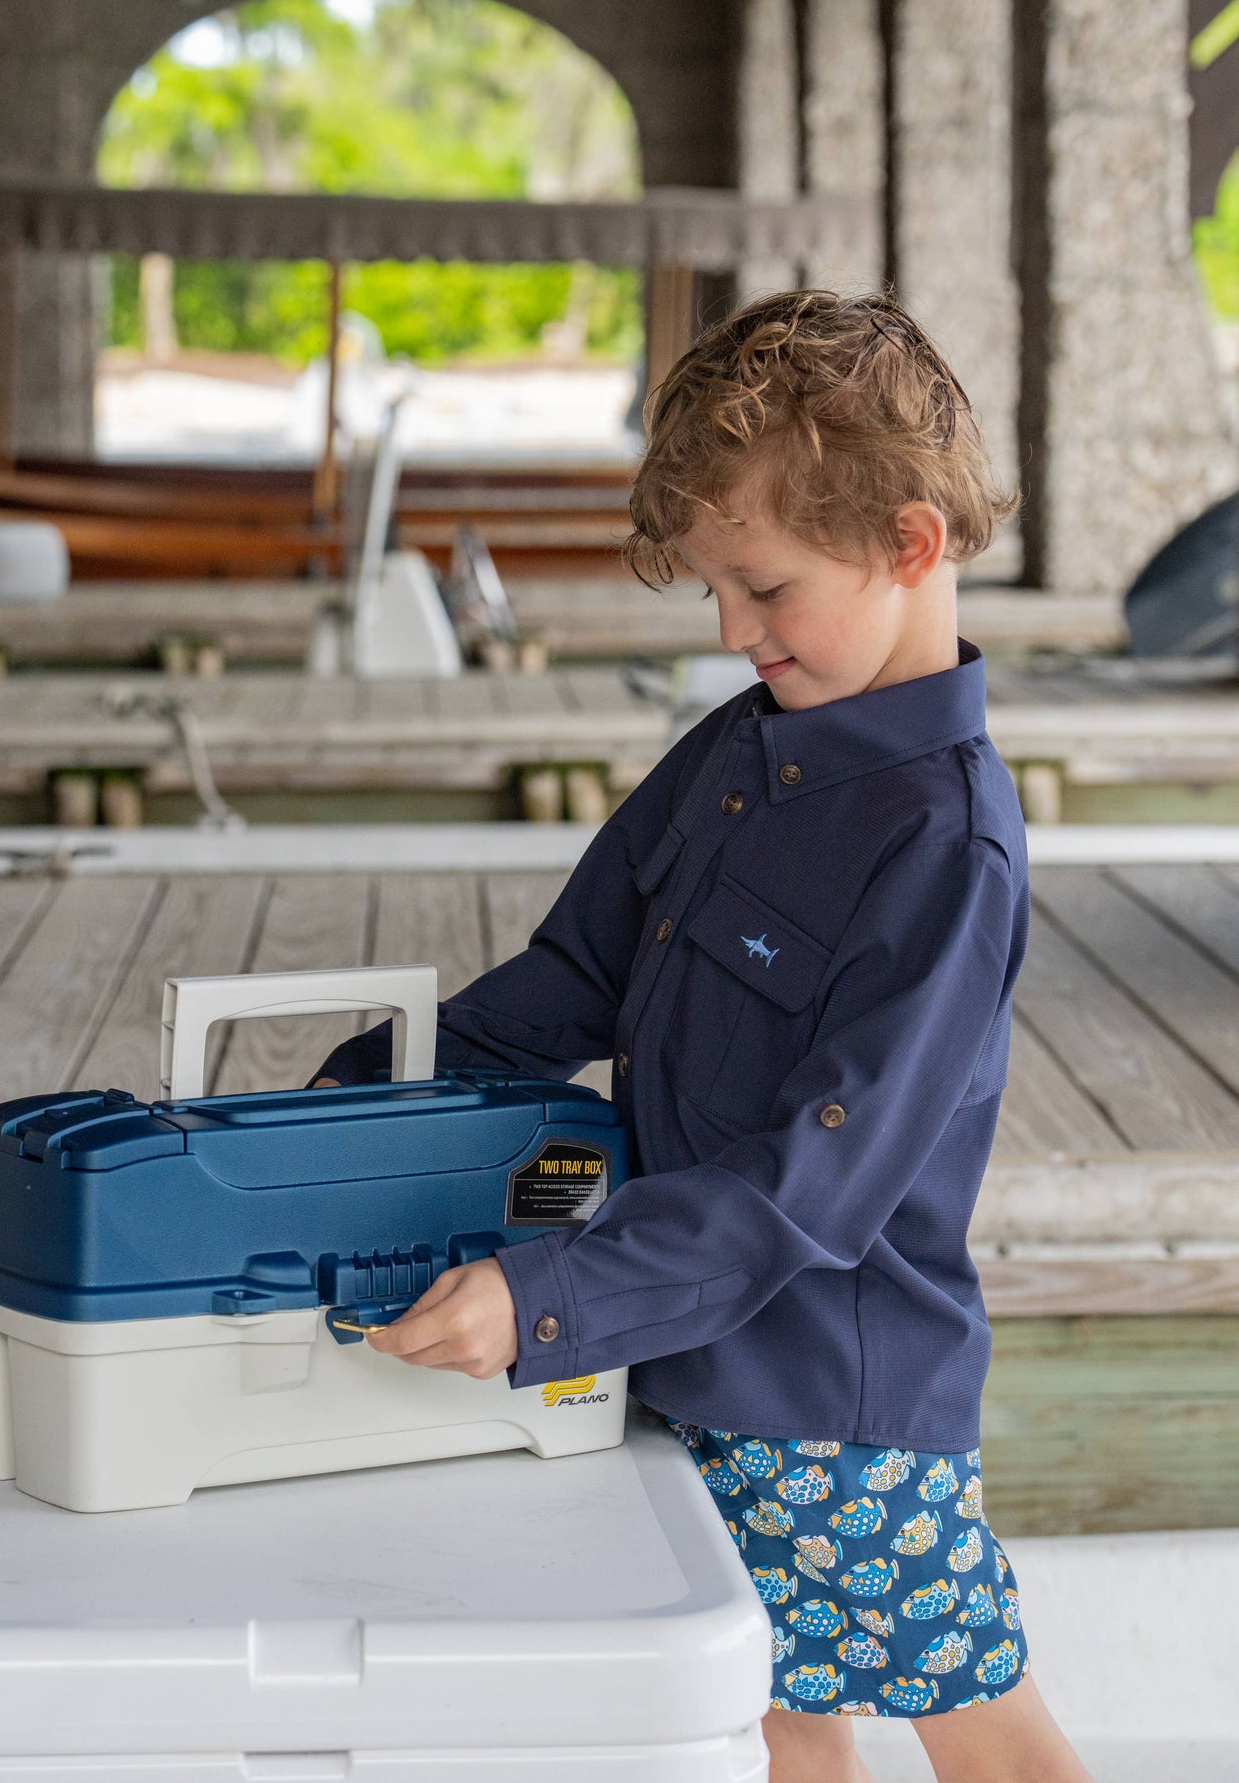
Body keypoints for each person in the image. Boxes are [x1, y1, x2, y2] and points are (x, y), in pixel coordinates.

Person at [314, 291, 1092, 1783]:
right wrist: (348, 1105)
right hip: (674, 1356)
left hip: (836, 1414)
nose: (734, 633)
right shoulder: (738, 748)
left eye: (766, 589)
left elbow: (815, 1188)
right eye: (716, 593)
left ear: (909, 544)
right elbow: (563, 985)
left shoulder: (949, 851)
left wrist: (546, 1298)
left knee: (983, 1735)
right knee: (766, 1721)